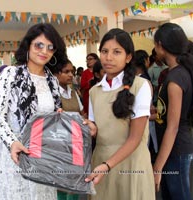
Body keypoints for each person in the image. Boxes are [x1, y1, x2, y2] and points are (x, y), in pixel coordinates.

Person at [0, 23, 96, 200]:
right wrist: (12, 142)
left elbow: (56, 118)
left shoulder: (51, 80)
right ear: (28, 45)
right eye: (39, 45)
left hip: (42, 157)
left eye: (50, 47)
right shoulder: (10, 74)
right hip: (14, 155)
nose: (44, 51)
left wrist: (82, 126)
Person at [85, 28, 155, 200]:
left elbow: (135, 138)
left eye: (117, 52)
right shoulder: (95, 90)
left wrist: (107, 165)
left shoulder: (140, 85)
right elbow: (96, 129)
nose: (109, 57)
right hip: (101, 162)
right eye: (104, 51)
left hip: (131, 163)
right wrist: (85, 126)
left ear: (128, 57)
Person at [153, 23, 193, 200]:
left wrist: (158, 166)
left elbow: (173, 126)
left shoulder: (176, 78)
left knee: (179, 196)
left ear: (160, 45)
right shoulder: (175, 73)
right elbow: (166, 111)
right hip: (172, 148)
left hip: (176, 148)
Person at [53, 60, 85, 200]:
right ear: (56, 74)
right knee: (60, 180)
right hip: (60, 143)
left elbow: (82, 113)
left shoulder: (73, 93)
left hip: (76, 141)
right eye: (66, 72)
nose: (71, 75)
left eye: (72, 72)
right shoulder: (52, 95)